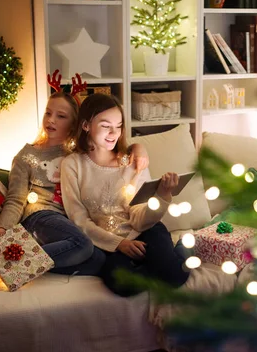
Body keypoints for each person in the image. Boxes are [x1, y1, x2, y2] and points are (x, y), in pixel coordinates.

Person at [0, 91, 149, 293]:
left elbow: (114, 151)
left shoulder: (79, 153)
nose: (51, 120)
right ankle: (4, 265)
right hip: (41, 216)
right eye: (48, 113)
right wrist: (3, 229)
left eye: (61, 116)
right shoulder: (27, 155)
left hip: (70, 223)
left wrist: (139, 147)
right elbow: (16, 198)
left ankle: (35, 263)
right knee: (83, 245)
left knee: (99, 260)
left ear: (77, 123)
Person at [61, 94, 190, 296]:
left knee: (174, 277)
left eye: (119, 126)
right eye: (106, 126)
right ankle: (158, 267)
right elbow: (79, 220)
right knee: (122, 284)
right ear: (86, 125)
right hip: (109, 241)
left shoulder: (132, 161)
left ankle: (183, 248)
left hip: (146, 230)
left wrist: (163, 196)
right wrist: (119, 244)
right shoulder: (72, 165)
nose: (114, 133)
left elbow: (140, 217)